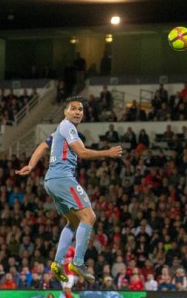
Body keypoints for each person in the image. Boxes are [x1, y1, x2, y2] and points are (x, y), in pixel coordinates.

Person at [16, 96, 124, 284]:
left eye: (80, 109)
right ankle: (78, 262)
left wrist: (31, 165)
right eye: (73, 108)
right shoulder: (67, 126)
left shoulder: (61, 129)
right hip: (63, 179)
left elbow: (43, 145)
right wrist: (108, 153)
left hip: (51, 181)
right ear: (65, 111)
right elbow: (82, 153)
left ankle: (57, 263)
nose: (77, 112)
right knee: (89, 217)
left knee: (73, 221)